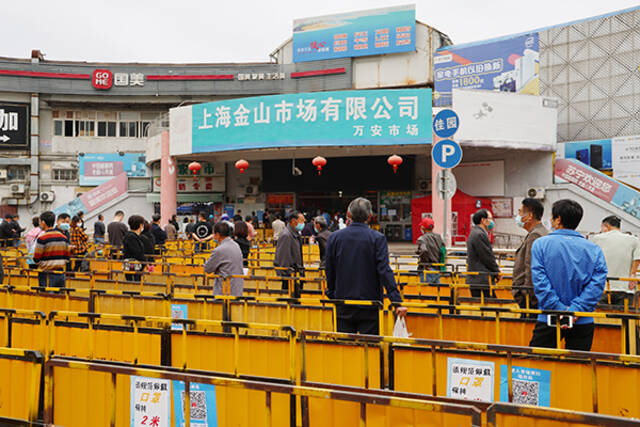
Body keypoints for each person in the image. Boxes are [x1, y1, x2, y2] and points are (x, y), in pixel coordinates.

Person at [529, 199, 607, 351]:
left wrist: (558, 308)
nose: (550, 220)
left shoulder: (540, 244)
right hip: (582, 318)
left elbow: (539, 281)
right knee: (578, 368)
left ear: (558, 219)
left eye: (552, 217)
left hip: (549, 318)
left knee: (540, 365)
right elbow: (597, 284)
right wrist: (575, 309)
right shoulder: (594, 249)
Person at [325, 197, 406, 335]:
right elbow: (384, 270)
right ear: (370, 216)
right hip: (370, 304)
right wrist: (396, 301)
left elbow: (329, 269)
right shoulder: (377, 238)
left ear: (349, 215)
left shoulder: (334, 238)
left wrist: (332, 293)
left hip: (343, 302)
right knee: (369, 349)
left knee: (344, 349)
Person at [591, 215, 640, 307]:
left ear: (607, 226)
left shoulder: (597, 238)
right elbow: (637, 258)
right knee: (625, 318)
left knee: (601, 319)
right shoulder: (634, 239)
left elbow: (591, 260)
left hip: (603, 287)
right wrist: (632, 273)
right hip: (625, 288)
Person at [512, 199, 548, 318]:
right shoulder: (539, 232)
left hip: (529, 299)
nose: (518, 216)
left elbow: (531, 267)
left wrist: (527, 295)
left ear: (529, 216)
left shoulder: (535, 235)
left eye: (520, 212)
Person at [204, 221, 244, 296]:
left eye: (214, 234)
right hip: (237, 289)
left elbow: (207, 268)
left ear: (218, 235)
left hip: (224, 291)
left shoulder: (219, 250)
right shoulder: (236, 245)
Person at [466, 209, 500, 298]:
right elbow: (486, 256)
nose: (492, 222)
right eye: (490, 219)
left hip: (478, 279)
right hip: (481, 280)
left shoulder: (475, 232)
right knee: (490, 307)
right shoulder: (479, 234)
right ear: (483, 220)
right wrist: (497, 271)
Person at [33, 211, 70, 288]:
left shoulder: (42, 238)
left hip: (46, 274)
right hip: (61, 273)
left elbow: (36, 259)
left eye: (40, 222)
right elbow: (67, 258)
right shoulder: (64, 237)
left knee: (46, 297)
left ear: (43, 222)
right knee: (60, 298)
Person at [274, 211, 305, 296]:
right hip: (290, 278)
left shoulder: (295, 235)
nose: (304, 223)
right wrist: (288, 276)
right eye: (302, 221)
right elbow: (283, 259)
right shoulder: (286, 235)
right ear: (294, 221)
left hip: (296, 276)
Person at [416, 217, 445, 284]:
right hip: (437, 269)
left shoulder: (422, 239)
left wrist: (425, 264)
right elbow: (443, 249)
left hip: (428, 270)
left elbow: (424, 250)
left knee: (426, 293)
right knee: (437, 292)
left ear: (423, 227)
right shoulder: (438, 237)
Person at [122, 215, 147, 282]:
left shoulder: (128, 236)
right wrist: (144, 262)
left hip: (131, 266)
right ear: (140, 225)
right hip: (134, 267)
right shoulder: (132, 237)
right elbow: (137, 252)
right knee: (135, 286)